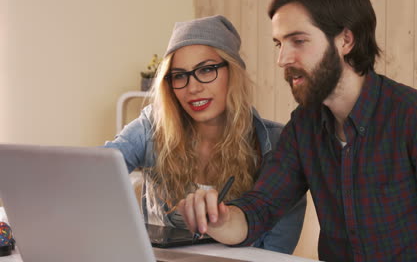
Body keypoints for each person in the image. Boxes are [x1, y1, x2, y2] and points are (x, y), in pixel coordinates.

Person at [178, 0, 417, 261]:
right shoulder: (304, 127)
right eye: (279, 44)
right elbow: (259, 209)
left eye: (298, 41)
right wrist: (218, 219)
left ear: (345, 40)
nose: (283, 59)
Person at [104, 14, 306, 254]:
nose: (193, 87)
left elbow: (275, 253)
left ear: (233, 72)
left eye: (207, 70)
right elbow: (96, 171)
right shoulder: (152, 127)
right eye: (179, 75)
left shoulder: (276, 143)